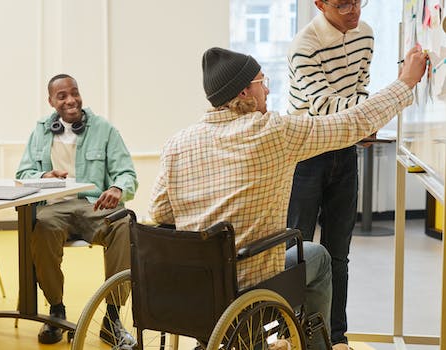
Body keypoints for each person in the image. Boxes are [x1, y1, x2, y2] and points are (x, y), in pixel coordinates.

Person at [149, 46, 427, 349]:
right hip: (249, 285)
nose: (267, 89)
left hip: (191, 288)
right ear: (244, 92)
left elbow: (160, 212)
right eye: (261, 81)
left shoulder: (176, 144)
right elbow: (352, 123)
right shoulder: (273, 132)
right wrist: (406, 83)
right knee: (318, 256)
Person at [15, 74, 138, 346]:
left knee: (124, 225)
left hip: (93, 205)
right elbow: (23, 172)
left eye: (74, 93)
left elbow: (127, 173)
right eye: (62, 96)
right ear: (51, 101)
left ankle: (113, 317)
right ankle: (56, 310)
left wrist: (117, 189)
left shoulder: (104, 129)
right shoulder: (40, 131)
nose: (71, 100)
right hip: (54, 207)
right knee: (41, 227)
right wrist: (45, 175)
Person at [286, 1, 373, 347]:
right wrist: (365, 120)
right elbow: (324, 106)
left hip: (344, 152)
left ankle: (335, 338)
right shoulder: (304, 45)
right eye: (342, 4)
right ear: (320, 4)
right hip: (306, 152)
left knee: (338, 253)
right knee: (297, 252)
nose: (353, 10)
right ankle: (291, 335)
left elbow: (362, 85)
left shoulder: (365, 34)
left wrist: (361, 124)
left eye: (357, 0)